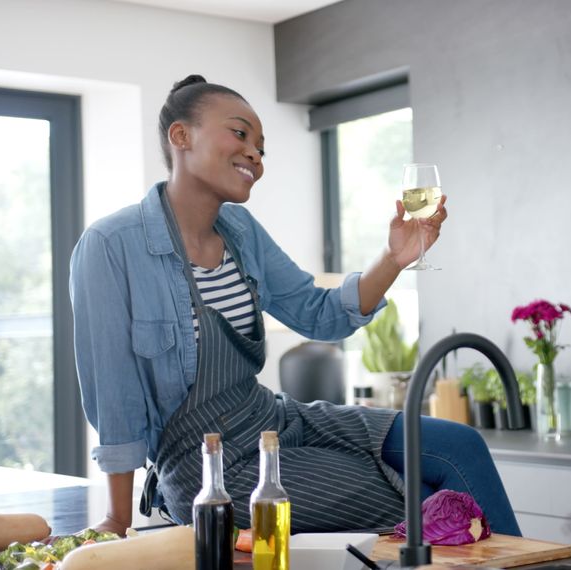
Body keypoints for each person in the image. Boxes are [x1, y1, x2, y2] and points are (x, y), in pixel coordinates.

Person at [70, 74, 521, 537]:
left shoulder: (241, 230)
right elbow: (114, 395)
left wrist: (394, 259)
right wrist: (118, 519)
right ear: (181, 136)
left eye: (262, 148)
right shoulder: (110, 246)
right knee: (430, 509)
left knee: (459, 445)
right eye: (241, 134)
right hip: (211, 470)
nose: (255, 155)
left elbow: (319, 314)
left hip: (274, 420)